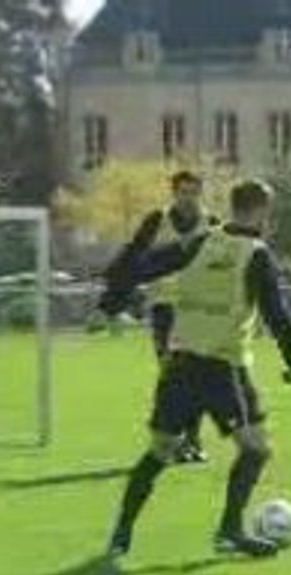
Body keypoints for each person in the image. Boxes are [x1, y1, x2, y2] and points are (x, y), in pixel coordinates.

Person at [101, 179, 291, 559]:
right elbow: (277, 313)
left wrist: (111, 298)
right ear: (261, 211)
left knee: (159, 452)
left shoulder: (201, 241)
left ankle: (120, 535)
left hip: (179, 363)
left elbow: (146, 266)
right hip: (223, 365)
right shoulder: (256, 253)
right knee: (256, 450)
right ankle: (229, 530)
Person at [98, 170, 219, 463]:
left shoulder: (213, 226)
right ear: (174, 193)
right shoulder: (157, 222)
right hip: (165, 309)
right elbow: (133, 258)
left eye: (193, 192)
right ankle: (172, 439)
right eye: (183, 192)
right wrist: (114, 299)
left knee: (197, 376)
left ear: (200, 194)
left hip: (200, 309)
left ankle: (192, 440)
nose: (188, 198)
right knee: (172, 374)